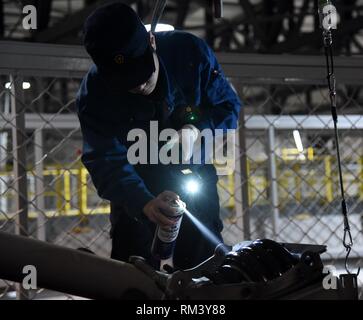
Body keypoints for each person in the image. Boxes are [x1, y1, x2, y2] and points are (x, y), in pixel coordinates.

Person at [76, 2, 241, 270]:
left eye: (143, 73)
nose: (139, 85)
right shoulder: (95, 94)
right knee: (133, 269)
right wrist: (141, 202)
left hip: (192, 174)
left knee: (206, 264)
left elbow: (227, 105)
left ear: (151, 41)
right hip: (135, 182)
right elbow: (104, 157)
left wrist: (197, 129)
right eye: (126, 83)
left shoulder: (189, 54)